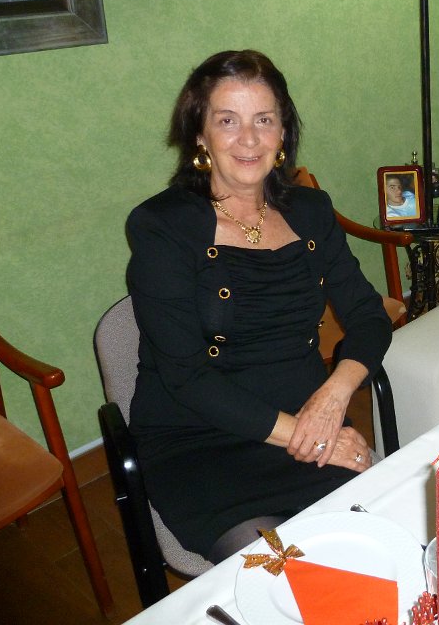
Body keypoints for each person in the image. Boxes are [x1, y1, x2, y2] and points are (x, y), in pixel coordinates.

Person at [126, 50, 392, 561]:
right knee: (283, 577)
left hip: (307, 415)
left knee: (381, 551)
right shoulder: (161, 227)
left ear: (283, 132)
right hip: (202, 441)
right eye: (227, 121)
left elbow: (368, 315)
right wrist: (315, 438)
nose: (248, 140)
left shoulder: (311, 210)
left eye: (263, 120)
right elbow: (187, 378)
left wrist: (334, 396)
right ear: (199, 134)